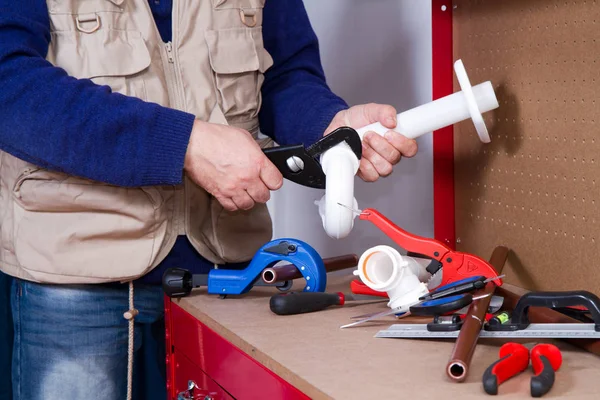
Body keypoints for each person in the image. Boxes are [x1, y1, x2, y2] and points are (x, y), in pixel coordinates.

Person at [0, 0, 418, 399]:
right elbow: (10, 84)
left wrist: (329, 126)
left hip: (229, 280)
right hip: (76, 286)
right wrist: (185, 145)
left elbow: (286, 74)